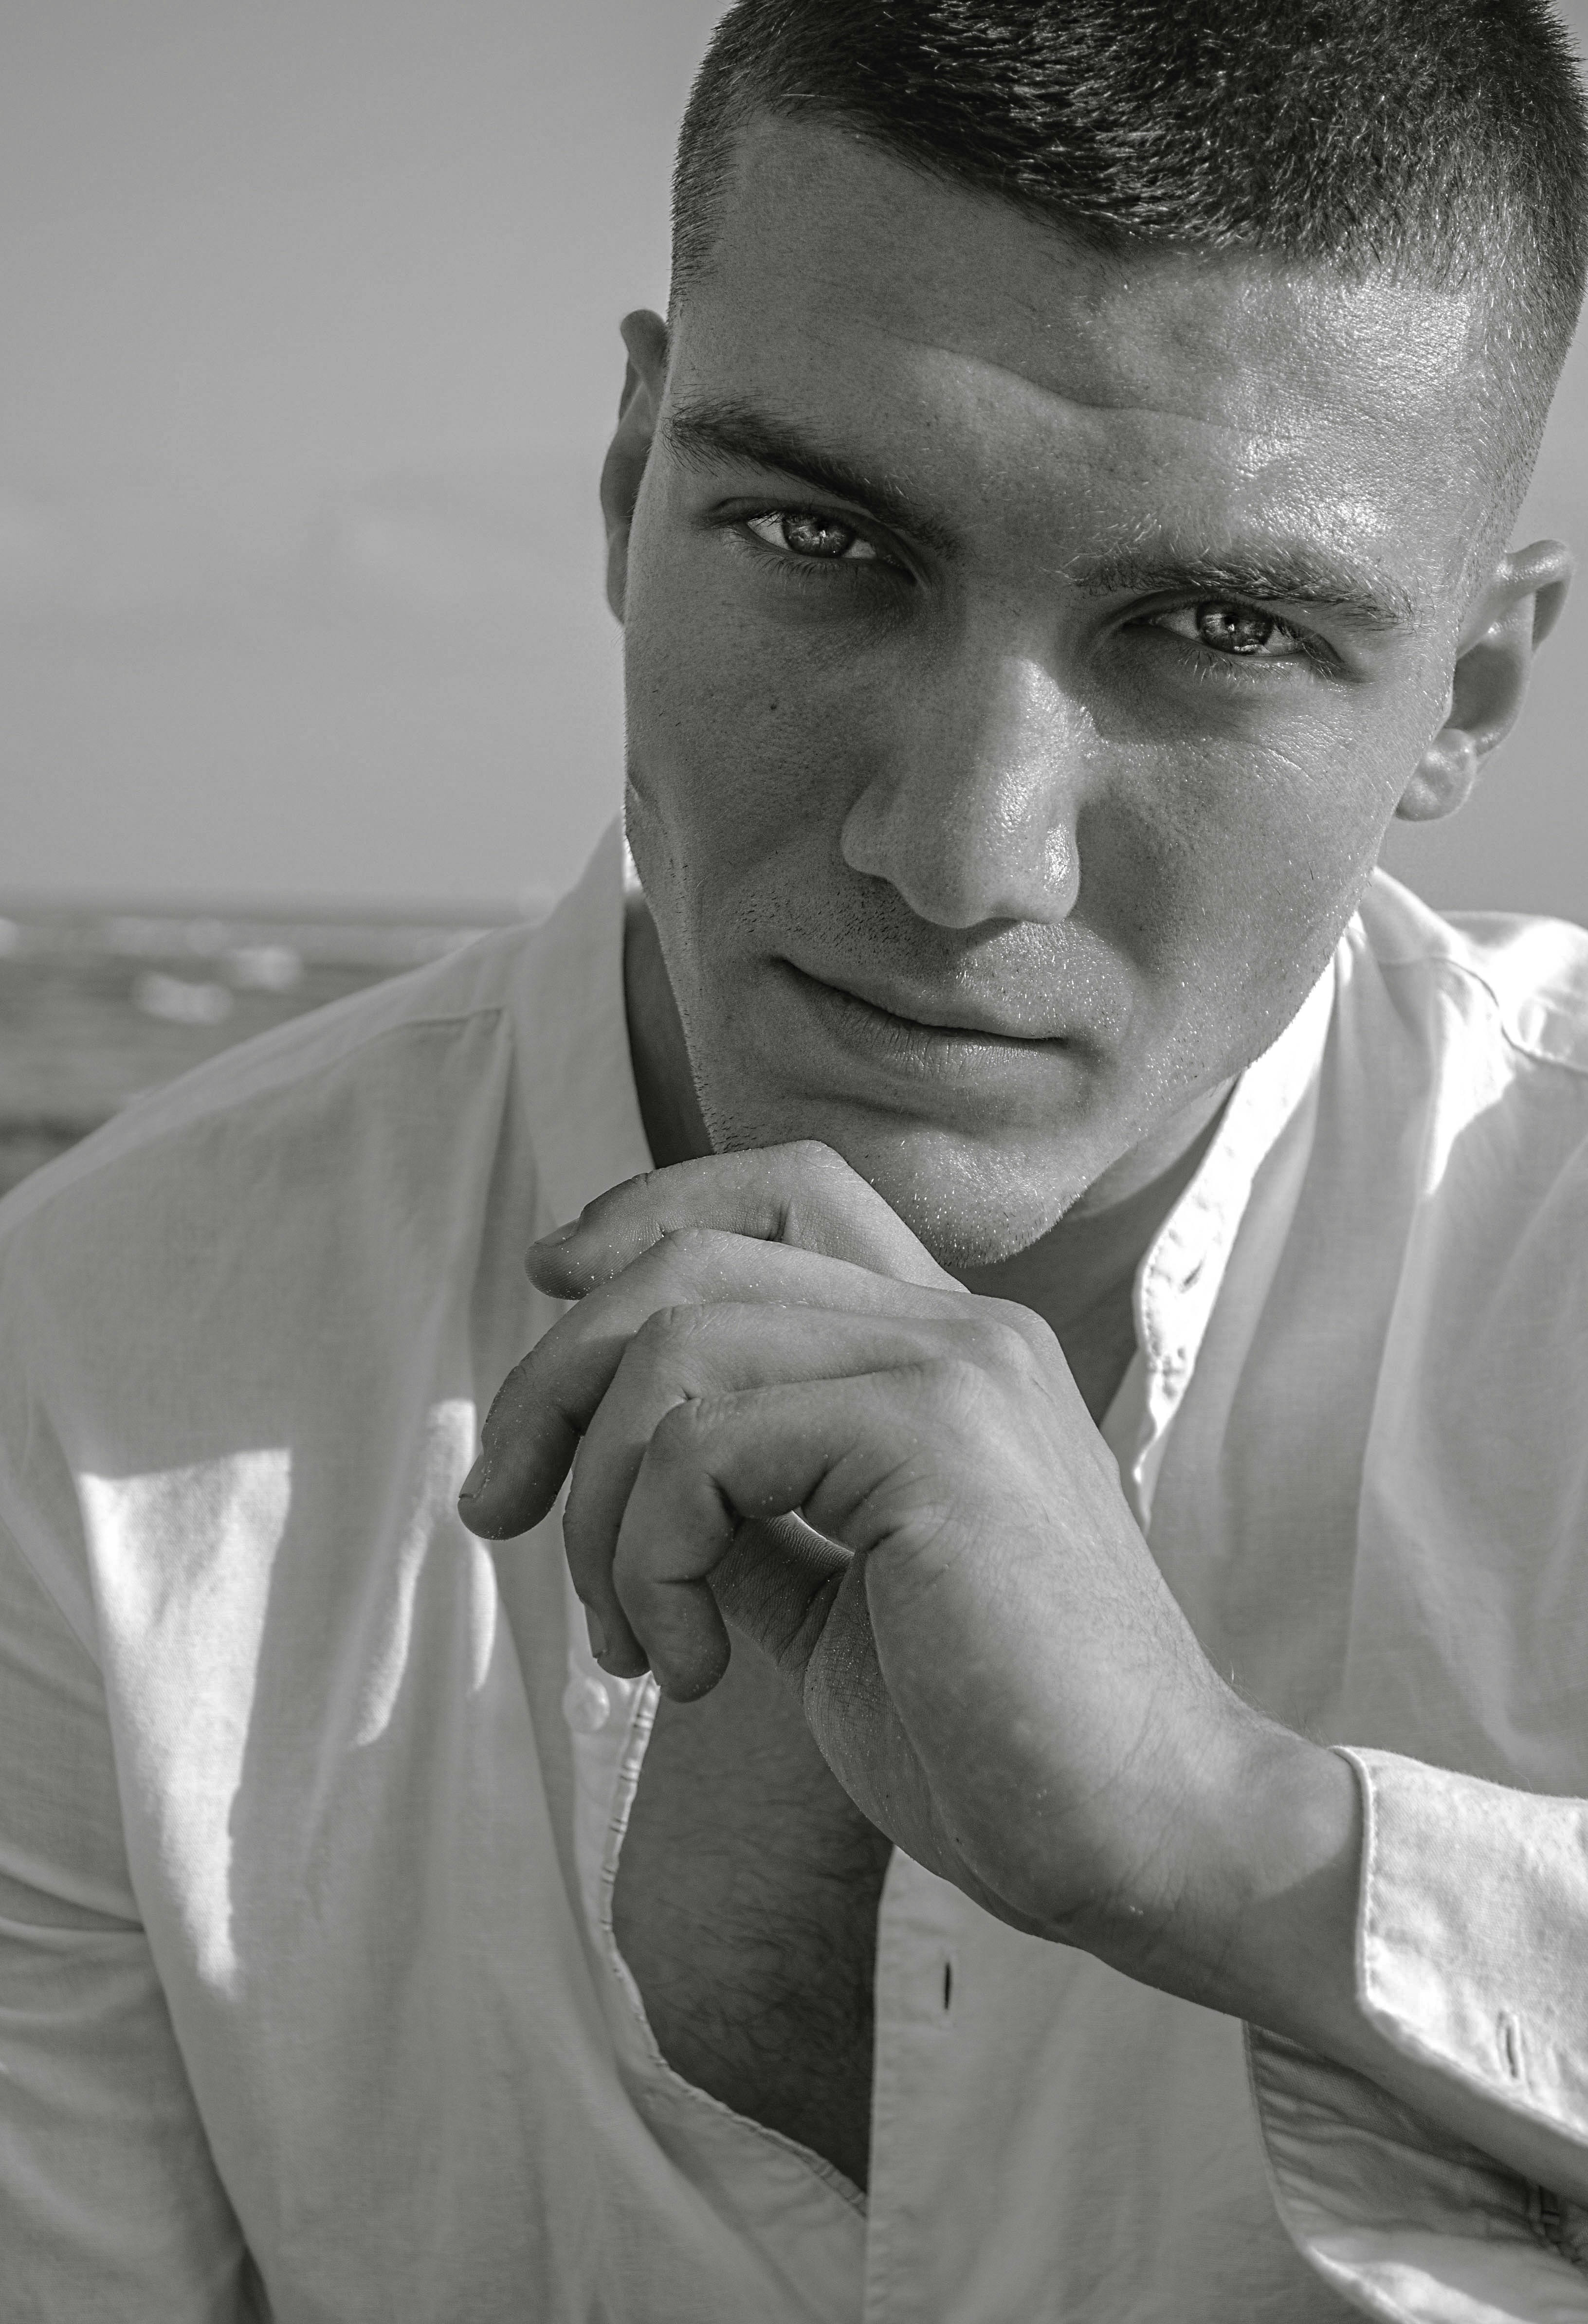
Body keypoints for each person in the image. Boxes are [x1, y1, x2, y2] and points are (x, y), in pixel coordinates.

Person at [5, 0, 1588, 2315]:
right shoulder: (87, 1374)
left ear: (1469, 686)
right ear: (628, 480)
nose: (960, 855)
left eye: (1221, 627)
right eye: (820, 535)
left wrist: (1239, 1844)